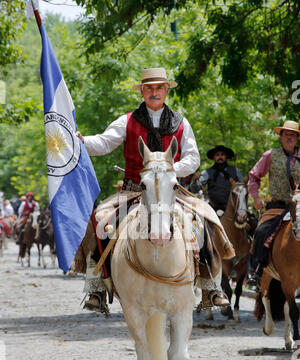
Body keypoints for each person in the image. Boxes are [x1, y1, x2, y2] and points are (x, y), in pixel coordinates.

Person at [75, 67, 234, 312]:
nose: (154, 92)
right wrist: (83, 141)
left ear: (167, 91)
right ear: (141, 91)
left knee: (205, 219)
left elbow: (193, 158)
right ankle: (96, 285)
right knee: (100, 219)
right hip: (133, 191)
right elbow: (105, 142)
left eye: (159, 87)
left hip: (172, 192)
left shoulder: (182, 123)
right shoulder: (127, 120)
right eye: (149, 88)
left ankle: (211, 284)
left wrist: (169, 170)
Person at [247, 120, 300, 288]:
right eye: (286, 134)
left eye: (293, 135)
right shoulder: (269, 155)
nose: (289, 137)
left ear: (297, 138)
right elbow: (254, 176)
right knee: (261, 232)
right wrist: (255, 197)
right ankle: (256, 271)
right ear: (281, 137)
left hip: (299, 206)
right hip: (277, 207)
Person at [196, 145, 244, 214]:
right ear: (214, 157)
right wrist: (195, 180)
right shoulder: (207, 172)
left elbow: (243, 189)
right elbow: (196, 188)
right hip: (212, 208)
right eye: (217, 155)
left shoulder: (236, 171)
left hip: (233, 209)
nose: (220, 157)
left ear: (226, 156)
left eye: (222, 155)